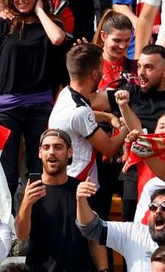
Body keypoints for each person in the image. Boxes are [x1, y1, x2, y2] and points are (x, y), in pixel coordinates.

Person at [0, 0, 70, 183]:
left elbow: (58, 39)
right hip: (5, 107)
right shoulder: (0, 25)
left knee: (38, 169)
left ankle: (36, 215)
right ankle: (5, 216)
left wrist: (39, 10)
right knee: (6, 171)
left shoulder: (50, 26)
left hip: (39, 106)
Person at [14, 130, 106, 272]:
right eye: (46, 147)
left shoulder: (82, 190)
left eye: (58, 147)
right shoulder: (29, 191)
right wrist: (26, 204)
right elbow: (22, 235)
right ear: (39, 153)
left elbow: (96, 238)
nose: (52, 152)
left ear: (69, 152)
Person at [48, 43, 124, 188]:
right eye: (101, 67)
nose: (103, 72)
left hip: (66, 177)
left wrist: (109, 118)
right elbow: (109, 148)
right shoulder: (80, 111)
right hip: (80, 183)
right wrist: (126, 128)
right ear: (95, 74)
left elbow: (77, 118)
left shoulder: (65, 94)